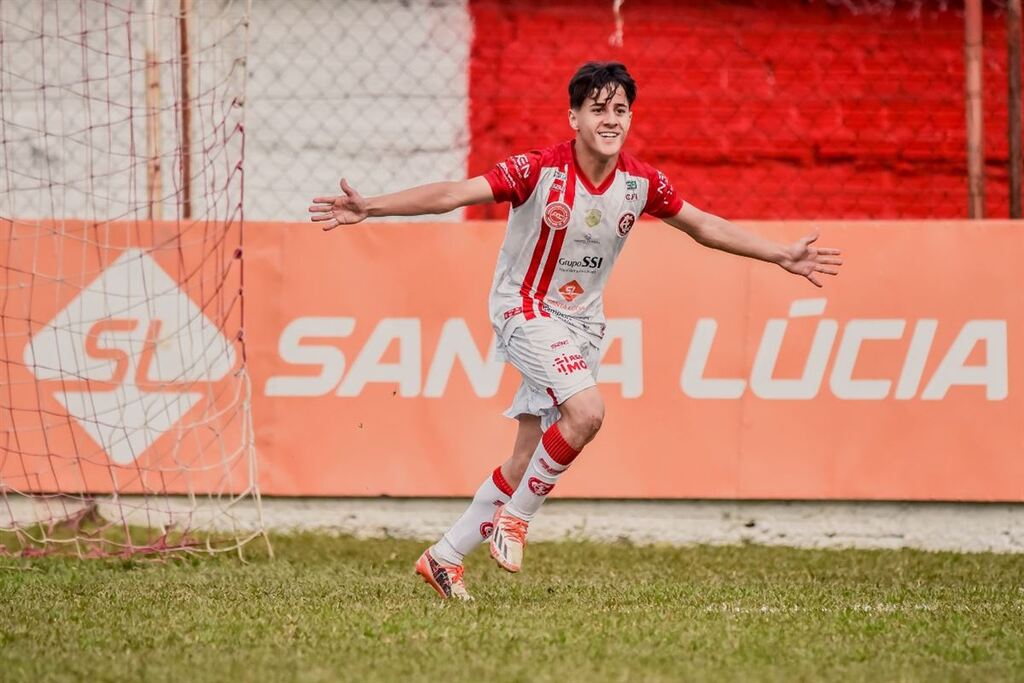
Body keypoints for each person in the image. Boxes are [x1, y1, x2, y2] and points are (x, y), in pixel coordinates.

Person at [309, 61, 843, 601]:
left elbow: (703, 225)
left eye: (620, 110)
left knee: (526, 456)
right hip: (524, 308)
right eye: (598, 109)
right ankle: (516, 519)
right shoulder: (540, 170)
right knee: (587, 413)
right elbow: (453, 194)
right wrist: (370, 207)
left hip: (583, 325)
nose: (611, 120)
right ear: (574, 117)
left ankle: (444, 557)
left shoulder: (641, 182)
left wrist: (781, 255)